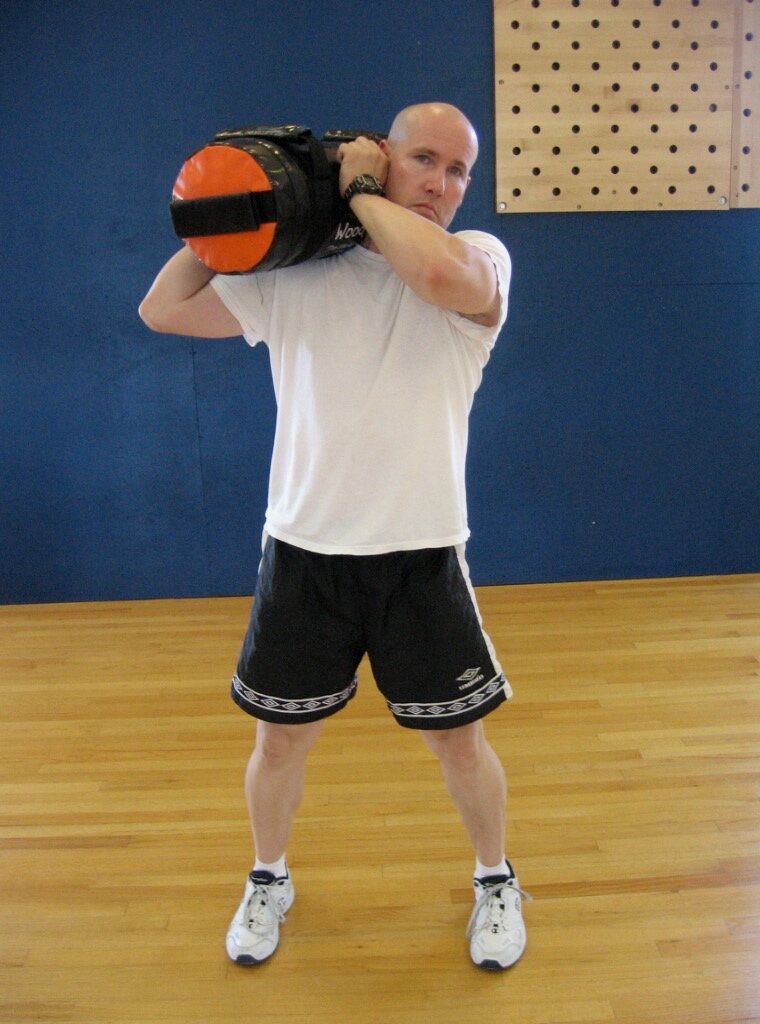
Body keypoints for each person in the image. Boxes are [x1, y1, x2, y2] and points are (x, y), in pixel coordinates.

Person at [139, 101, 530, 971]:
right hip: (306, 550)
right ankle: (268, 875)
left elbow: (436, 280)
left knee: (459, 741)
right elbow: (163, 307)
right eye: (425, 159)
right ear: (386, 156)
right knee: (278, 740)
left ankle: (496, 879)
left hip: (421, 554)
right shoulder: (298, 272)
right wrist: (254, 210)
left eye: (461, 170)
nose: (442, 182)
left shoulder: (480, 260)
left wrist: (356, 191)